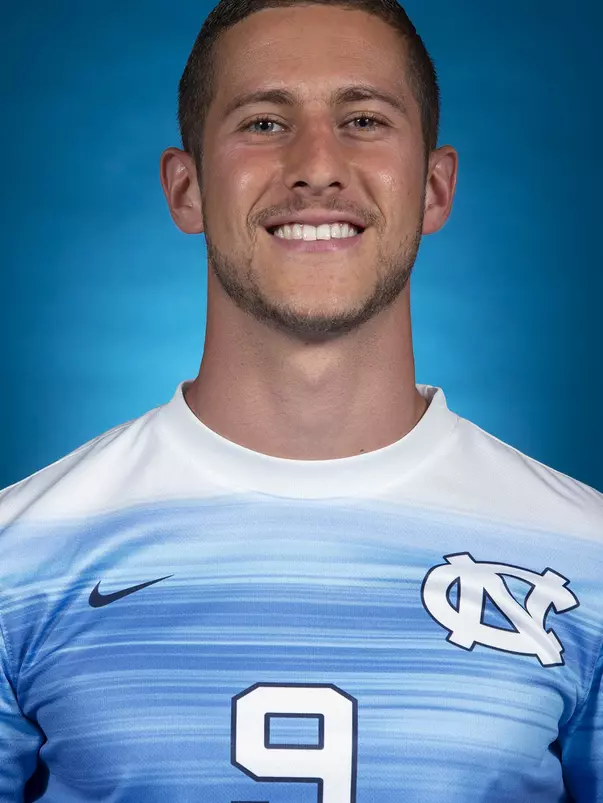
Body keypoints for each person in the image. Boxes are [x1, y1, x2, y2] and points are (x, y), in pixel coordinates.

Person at [0, 0, 601, 800]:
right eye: (261, 123)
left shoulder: (586, 563)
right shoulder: (19, 562)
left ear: (433, 187)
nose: (316, 164)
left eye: (361, 119)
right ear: (185, 189)